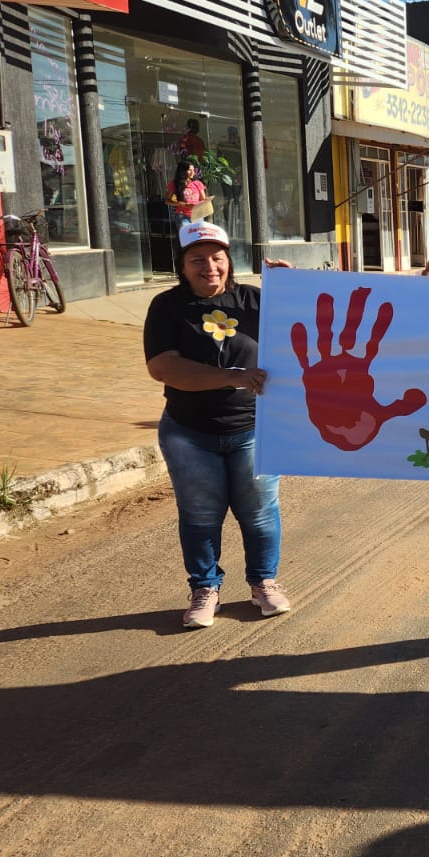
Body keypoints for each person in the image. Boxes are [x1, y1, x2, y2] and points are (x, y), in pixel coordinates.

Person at [143, 221, 294, 629]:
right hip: (189, 433)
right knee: (200, 515)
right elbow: (163, 368)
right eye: (197, 259)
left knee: (260, 513)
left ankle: (264, 582)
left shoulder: (256, 301)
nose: (209, 266)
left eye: (217, 257)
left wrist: (292, 289)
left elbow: (310, 332)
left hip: (255, 429)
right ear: (182, 265)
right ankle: (205, 589)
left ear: (229, 260)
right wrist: (232, 376)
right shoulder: (167, 307)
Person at [166, 158, 212, 225]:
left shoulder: (197, 183)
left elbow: (203, 199)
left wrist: (207, 200)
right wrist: (182, 204)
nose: (193, 172)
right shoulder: (174, 184)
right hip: (182, 215)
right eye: (189, 170)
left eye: (193, 170)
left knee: (197, 235)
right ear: (182, 171)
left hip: (197, 216)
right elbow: (167, 201)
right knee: (186, 234)